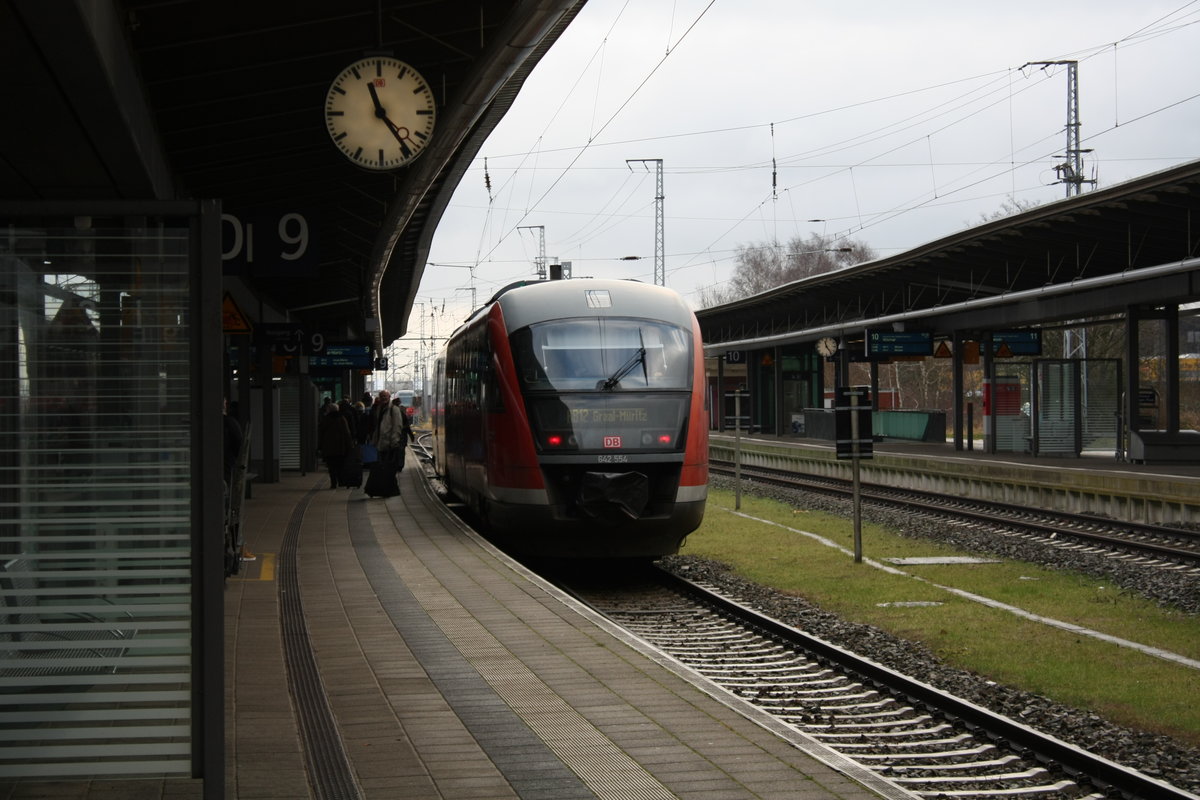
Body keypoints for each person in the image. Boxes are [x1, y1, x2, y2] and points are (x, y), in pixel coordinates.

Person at [317, 400, 354, 488]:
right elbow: (347, 433)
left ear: (329, 410)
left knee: (331, 467)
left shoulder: (325, 419)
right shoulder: (342, 418)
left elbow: (320, 433)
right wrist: (350, 445)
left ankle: (333, 483)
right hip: (341, 447)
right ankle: (341, 481)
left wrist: (319, 446)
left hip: (328, 447)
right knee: (340, 465)